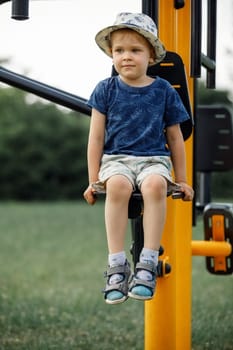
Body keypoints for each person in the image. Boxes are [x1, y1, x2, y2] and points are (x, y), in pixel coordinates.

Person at [83, 12, 194, 305]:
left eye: (135, 50)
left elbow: (175, 138)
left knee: (156, 186)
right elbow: (95, 138)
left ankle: (147, 262)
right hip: (116, 159)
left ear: (151, 55)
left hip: (153, 159)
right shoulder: (105, 90)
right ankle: (116, 266)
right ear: (111, 54)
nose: (126, 56)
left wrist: (182, 180)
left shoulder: (164, 91)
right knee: (117, 187)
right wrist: (93, 180)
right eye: (119, 50)